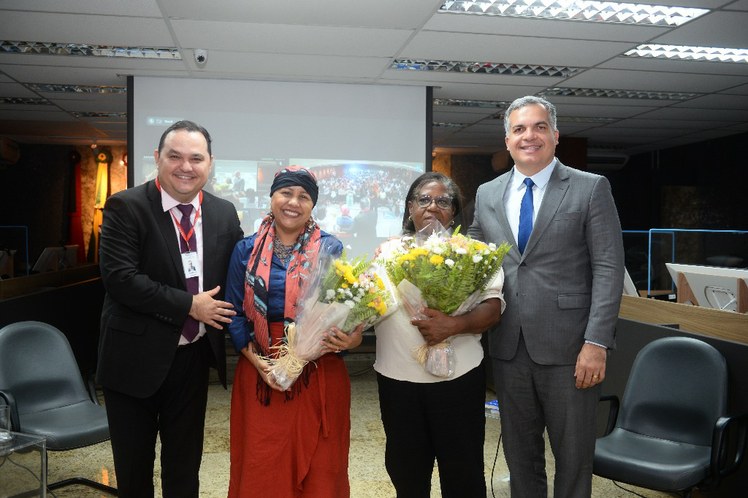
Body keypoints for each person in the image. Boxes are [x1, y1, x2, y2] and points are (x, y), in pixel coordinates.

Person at [468, 96, 625, 498]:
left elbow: (608, 269)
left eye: (539, 127)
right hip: (508, 346)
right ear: (507, 140)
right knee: (520, 455)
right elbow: (475, 253)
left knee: (573, 458)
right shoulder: (488, 193)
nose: (529, 136)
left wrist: (596, 342)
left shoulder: (590, 188)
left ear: (555, 136)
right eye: (519, 129)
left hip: (572, 349)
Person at [97, 120, 243, 497]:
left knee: (184, 470)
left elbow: (242, 272)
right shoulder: (126, 207)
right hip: (133, 361)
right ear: (157, 159)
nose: (185, 166)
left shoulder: (224, 213)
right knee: (135, 474)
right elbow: (120, 279)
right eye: (174, 156)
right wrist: (190, 305)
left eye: (196, 158)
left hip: (192, 360)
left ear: (210, 164)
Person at [225, 166, 364, 498]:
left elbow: (344, 309)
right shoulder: (245, 249)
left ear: (312, 205)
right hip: (261, 372)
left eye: (304, 197)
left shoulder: (331, 248)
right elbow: (233, 314)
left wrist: (352, 338)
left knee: (321, 469)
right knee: (263, 466)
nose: (293, 202)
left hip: (317, 372)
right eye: (286, 192)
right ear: (272, 197)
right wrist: (259, 363)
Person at [373, 172, 505, 498]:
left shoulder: (475, 254)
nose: (433, 206)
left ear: (454, 211)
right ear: (409, 208)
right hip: (397, 382)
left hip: (459, 383)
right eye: (423, 199)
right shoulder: (386, 253)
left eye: (443, 200)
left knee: (463, 476)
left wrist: (454, 325)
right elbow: (367, 304)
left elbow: (493, 309)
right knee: (407, 474)